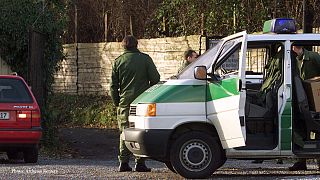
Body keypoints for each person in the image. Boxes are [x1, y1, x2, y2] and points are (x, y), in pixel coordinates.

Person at [110, 35, 160, 172]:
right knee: (140, 131)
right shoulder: (145, 59)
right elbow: (156, 78)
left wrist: (117, 102)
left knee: (125, 131)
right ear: (136, 45)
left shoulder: (118, 62)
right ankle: (140, 162)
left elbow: (113, 87)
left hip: (125, 103)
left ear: (123, 46)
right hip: (142, 102)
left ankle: (123, 162)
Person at [289, 45, 320, 171]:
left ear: (294, 47)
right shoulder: (293, 58)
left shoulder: (313, 57)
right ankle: (301, 162)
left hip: (313, 99)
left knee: (316, 130)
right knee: (301, 129)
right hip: (301, 100)